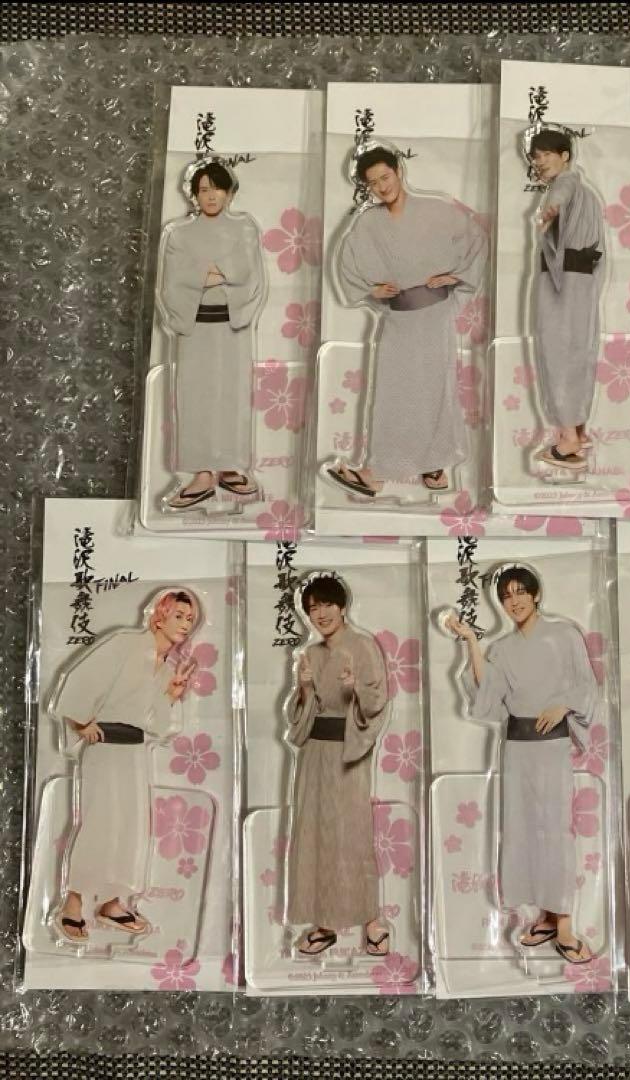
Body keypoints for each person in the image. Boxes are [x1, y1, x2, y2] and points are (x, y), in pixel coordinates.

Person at [447, 566, 597, 964]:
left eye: (520, 592)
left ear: (535, 594)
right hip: (516, 747)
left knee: (555, 828)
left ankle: (564, 923)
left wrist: (563, 704)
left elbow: (586, 685)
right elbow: (488, 692)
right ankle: (545, 914)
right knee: (523, 828)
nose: (514, 601)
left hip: (551, 745)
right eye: (506, 596)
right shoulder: (502, 648)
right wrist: (472, 643)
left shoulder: (565, 635)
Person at [326, 146, 487, 499]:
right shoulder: (368, 222)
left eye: (385, 177)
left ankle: (434, 464)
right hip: (398, 318)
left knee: (435, 388)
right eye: (373, 183)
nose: (382, 186)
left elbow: (476, 239)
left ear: (399, 170)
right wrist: (372, 289)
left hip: (435, 314)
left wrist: (456, 276)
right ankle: (379, 471)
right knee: (393, 393)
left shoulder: (436, 209)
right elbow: (347, 263)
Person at [51, 589, 199, 942]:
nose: (185, 625)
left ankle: (113, 902)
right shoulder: (124, 643)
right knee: (100, 821)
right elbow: (81, 680)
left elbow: (160, 727)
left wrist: (171, 694)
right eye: (179, 616)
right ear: (159, 616)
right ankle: (73, 902)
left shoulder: (168, 668)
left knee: (132, 826)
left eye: (191, 619)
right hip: (104, 747)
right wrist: (80, 723)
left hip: (134, 751)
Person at [285, 572, 391, 958]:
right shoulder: (311, 654)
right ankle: (324, 922)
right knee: (315, 833)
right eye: (313, 608)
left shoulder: (362, 646)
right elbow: (296, 716)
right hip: (315, 753)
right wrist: (305, 688)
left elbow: (377, 701)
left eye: (327, 604)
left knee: (351, 834)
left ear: (342, 606)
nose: (321, 614)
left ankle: (372, 920)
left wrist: (353, 688)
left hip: (348, 752)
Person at [158, 160, 267, 510]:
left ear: (229, 192)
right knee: (195, 396)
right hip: (194, 329)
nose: (211, 196)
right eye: (203, 189)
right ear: (193, 194)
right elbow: (172, 283)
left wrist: (209, 275)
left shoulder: (244, 228)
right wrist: (210, 276)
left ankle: (230, 465)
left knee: (233, 393)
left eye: (217, 188)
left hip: (233, 326)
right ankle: (202, 472)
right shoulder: (179, 234)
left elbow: (250, 276)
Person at [529, 129, 605, 472]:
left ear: (565, 156)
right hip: (582, 279)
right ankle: (578, 427)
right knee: (578, 350)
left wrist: (551, 209)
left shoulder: (566, 184)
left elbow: (561, 192)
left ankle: (568, 439)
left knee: (556, 352)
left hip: (563, 280)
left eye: (547, 154)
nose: (540, 161)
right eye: (536, 156)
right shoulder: (587, 194)